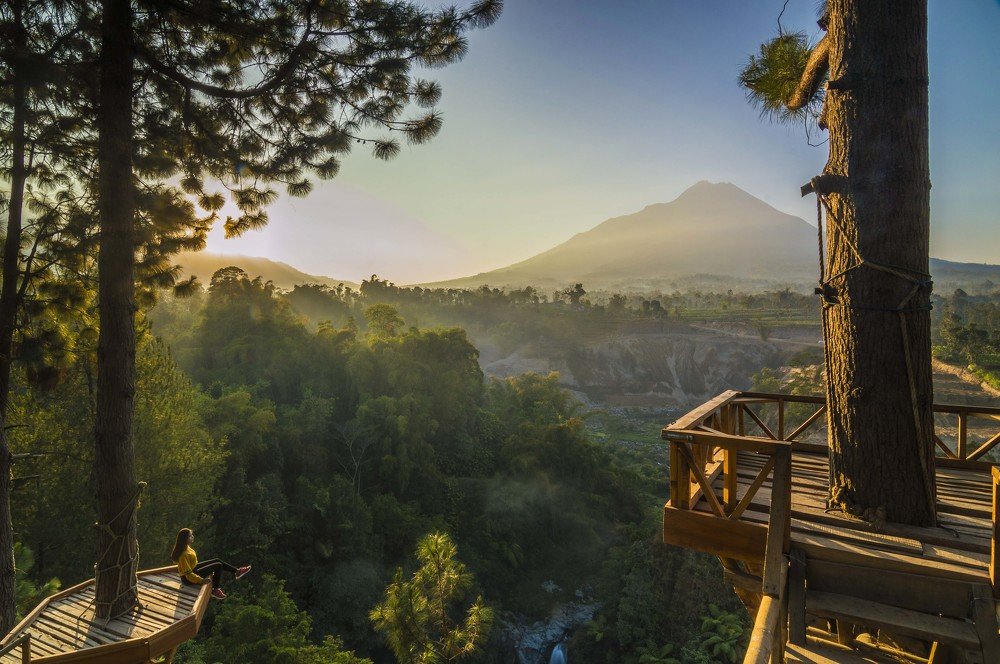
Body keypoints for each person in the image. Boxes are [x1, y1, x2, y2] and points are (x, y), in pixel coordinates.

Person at [171, 528, 251, 599]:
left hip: (194, 568)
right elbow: (188, 575)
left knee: (217, 560)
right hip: (188, 579)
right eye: (190, 536)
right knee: (218, 565)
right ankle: (215, 590)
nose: (192, 537)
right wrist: (201, 580)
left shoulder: (186, 547)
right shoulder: (183, 555)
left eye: (192, 535)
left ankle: (237, 571)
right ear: (184, 539)